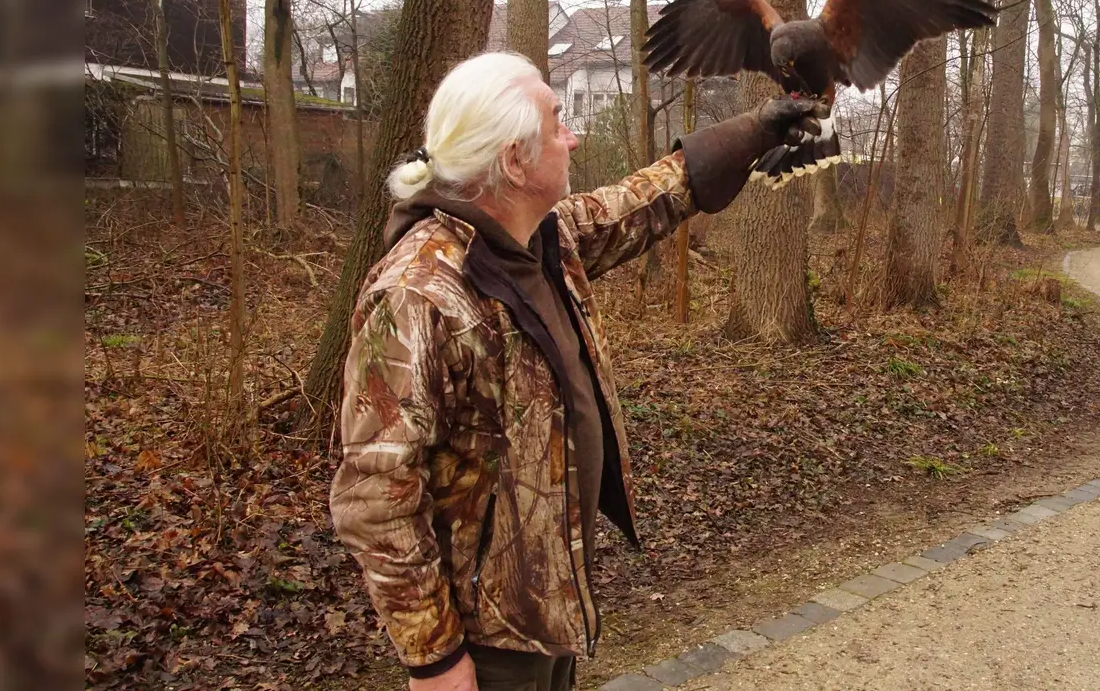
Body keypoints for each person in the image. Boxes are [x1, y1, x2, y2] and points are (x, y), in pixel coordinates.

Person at [329, 52, 820, 691]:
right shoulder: (421, 294)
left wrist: (758, 128)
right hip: (486, 642)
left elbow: (634, 205)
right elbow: (375, 495)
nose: (574, 135)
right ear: (512, 161)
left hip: (544, 607)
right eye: (557, 122)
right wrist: (436, 659)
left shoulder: (537, 240)